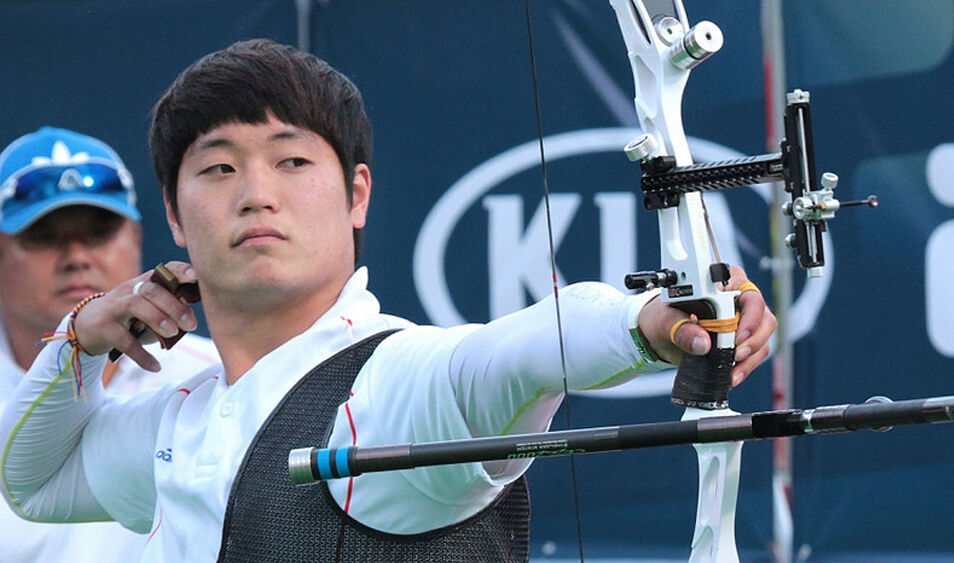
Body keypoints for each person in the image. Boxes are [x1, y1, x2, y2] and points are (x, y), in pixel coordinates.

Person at [0, 40, 775, 561]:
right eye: (218, 168)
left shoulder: (393, 382)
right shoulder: (183, 417)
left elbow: (520, 350)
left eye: (292, 160)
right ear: (174, 215)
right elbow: (31, 481)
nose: (257, 194)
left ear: (357, 194)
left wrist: (650, 322)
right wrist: (79, 338)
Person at [0, 127, 219, 561]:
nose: (77, 257)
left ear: (135, 238)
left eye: (100, 231)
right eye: (43, 236)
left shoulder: (213, 376)